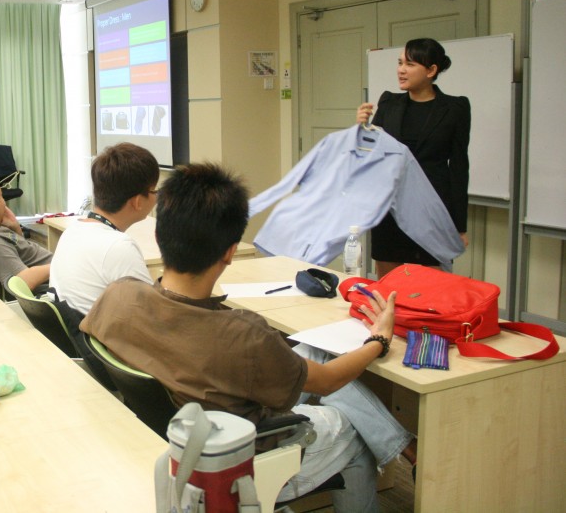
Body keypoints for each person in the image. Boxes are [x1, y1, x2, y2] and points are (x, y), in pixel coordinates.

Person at [81, 163, 415, 511]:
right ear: (230, 250)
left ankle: (406, 449)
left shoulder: (118, 295)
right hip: (238, 458)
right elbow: (328, 383)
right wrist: (379, 339)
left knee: (315, 353)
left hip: (176, 437)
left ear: (160, 233)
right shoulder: (244, 336)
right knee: (350, 429)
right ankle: (398, 454)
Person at [356, 38, 470, 278]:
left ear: (431, 70)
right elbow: (370, 154)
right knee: (389, 287)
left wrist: (459, 226)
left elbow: (459, 167)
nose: (401, 70)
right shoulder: (389, 102)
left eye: (409, 64)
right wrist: (361, 128)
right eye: (400, 63)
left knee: (430, 289)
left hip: (432, 210)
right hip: (391, 209)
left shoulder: (455, 108)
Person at [49, 143, 158, 315]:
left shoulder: (73, 231)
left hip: (77, 337)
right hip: (103, 340)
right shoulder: (119, 247)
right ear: (137, 202)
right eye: (154, 191)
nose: (156, 197)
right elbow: (153, 315)